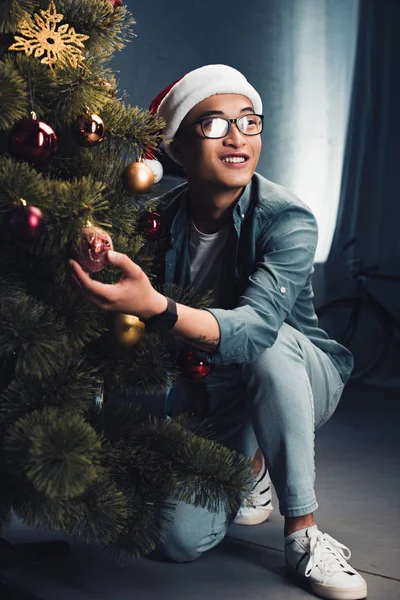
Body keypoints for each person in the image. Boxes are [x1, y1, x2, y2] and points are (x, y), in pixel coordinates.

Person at [69, 64, 367, 600]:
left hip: (300, 376)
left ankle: (303, 532)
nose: (237, 138)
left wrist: (158, 307)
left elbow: (253, 333)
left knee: (268, 348)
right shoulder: (158, 221)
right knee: (174, 539)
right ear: (179, 149)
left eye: (249, 122)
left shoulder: (287, 218)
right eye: (214, 124)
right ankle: (251, 464)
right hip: (212, 387)